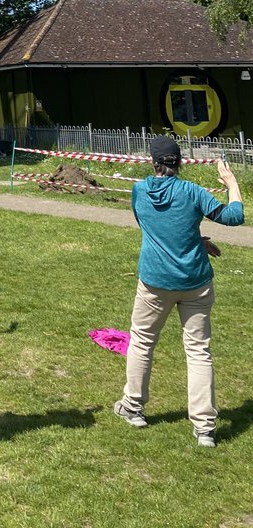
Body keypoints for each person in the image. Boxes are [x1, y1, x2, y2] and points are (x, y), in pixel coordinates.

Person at [113, 136, 245, 447]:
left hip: (154, 282)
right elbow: (234, 215)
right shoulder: (194, 192)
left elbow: (155, 225)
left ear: (153, 162)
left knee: (142, 342)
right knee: (198, 352)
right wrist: (232, 183)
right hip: (194, 283)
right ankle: (204, 428)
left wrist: (195, 239)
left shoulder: (139, 191)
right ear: (180, 162)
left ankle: (133, 407)